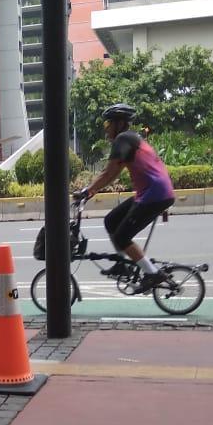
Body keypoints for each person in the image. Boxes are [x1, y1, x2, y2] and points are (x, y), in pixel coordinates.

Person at [74, 104, 175, 293]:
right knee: (111, 220)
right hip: (152, 193)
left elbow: (107, 173)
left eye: (108, 123)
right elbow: (113, 173)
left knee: (122, 236)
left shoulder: (124, 139)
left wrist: (87, 192)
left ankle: (152, 273)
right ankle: (123, 264)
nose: (106, 128)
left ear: (119, 124)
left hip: (154, 195)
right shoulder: (130, 140)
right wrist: (90, 190)